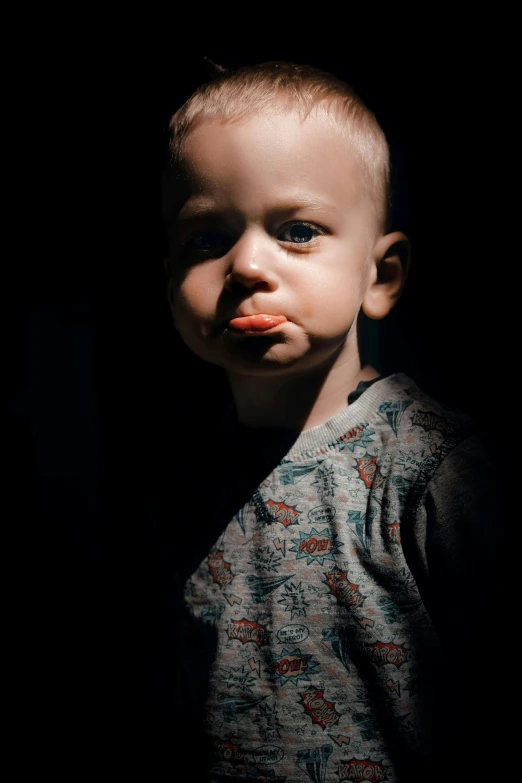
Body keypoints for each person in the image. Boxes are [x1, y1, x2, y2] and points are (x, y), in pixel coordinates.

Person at [153, 60, 502, 783]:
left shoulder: (433, 466)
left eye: (298, 230)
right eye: (206, 239)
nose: (247, 262)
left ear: (380, 276)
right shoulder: (183, 479)